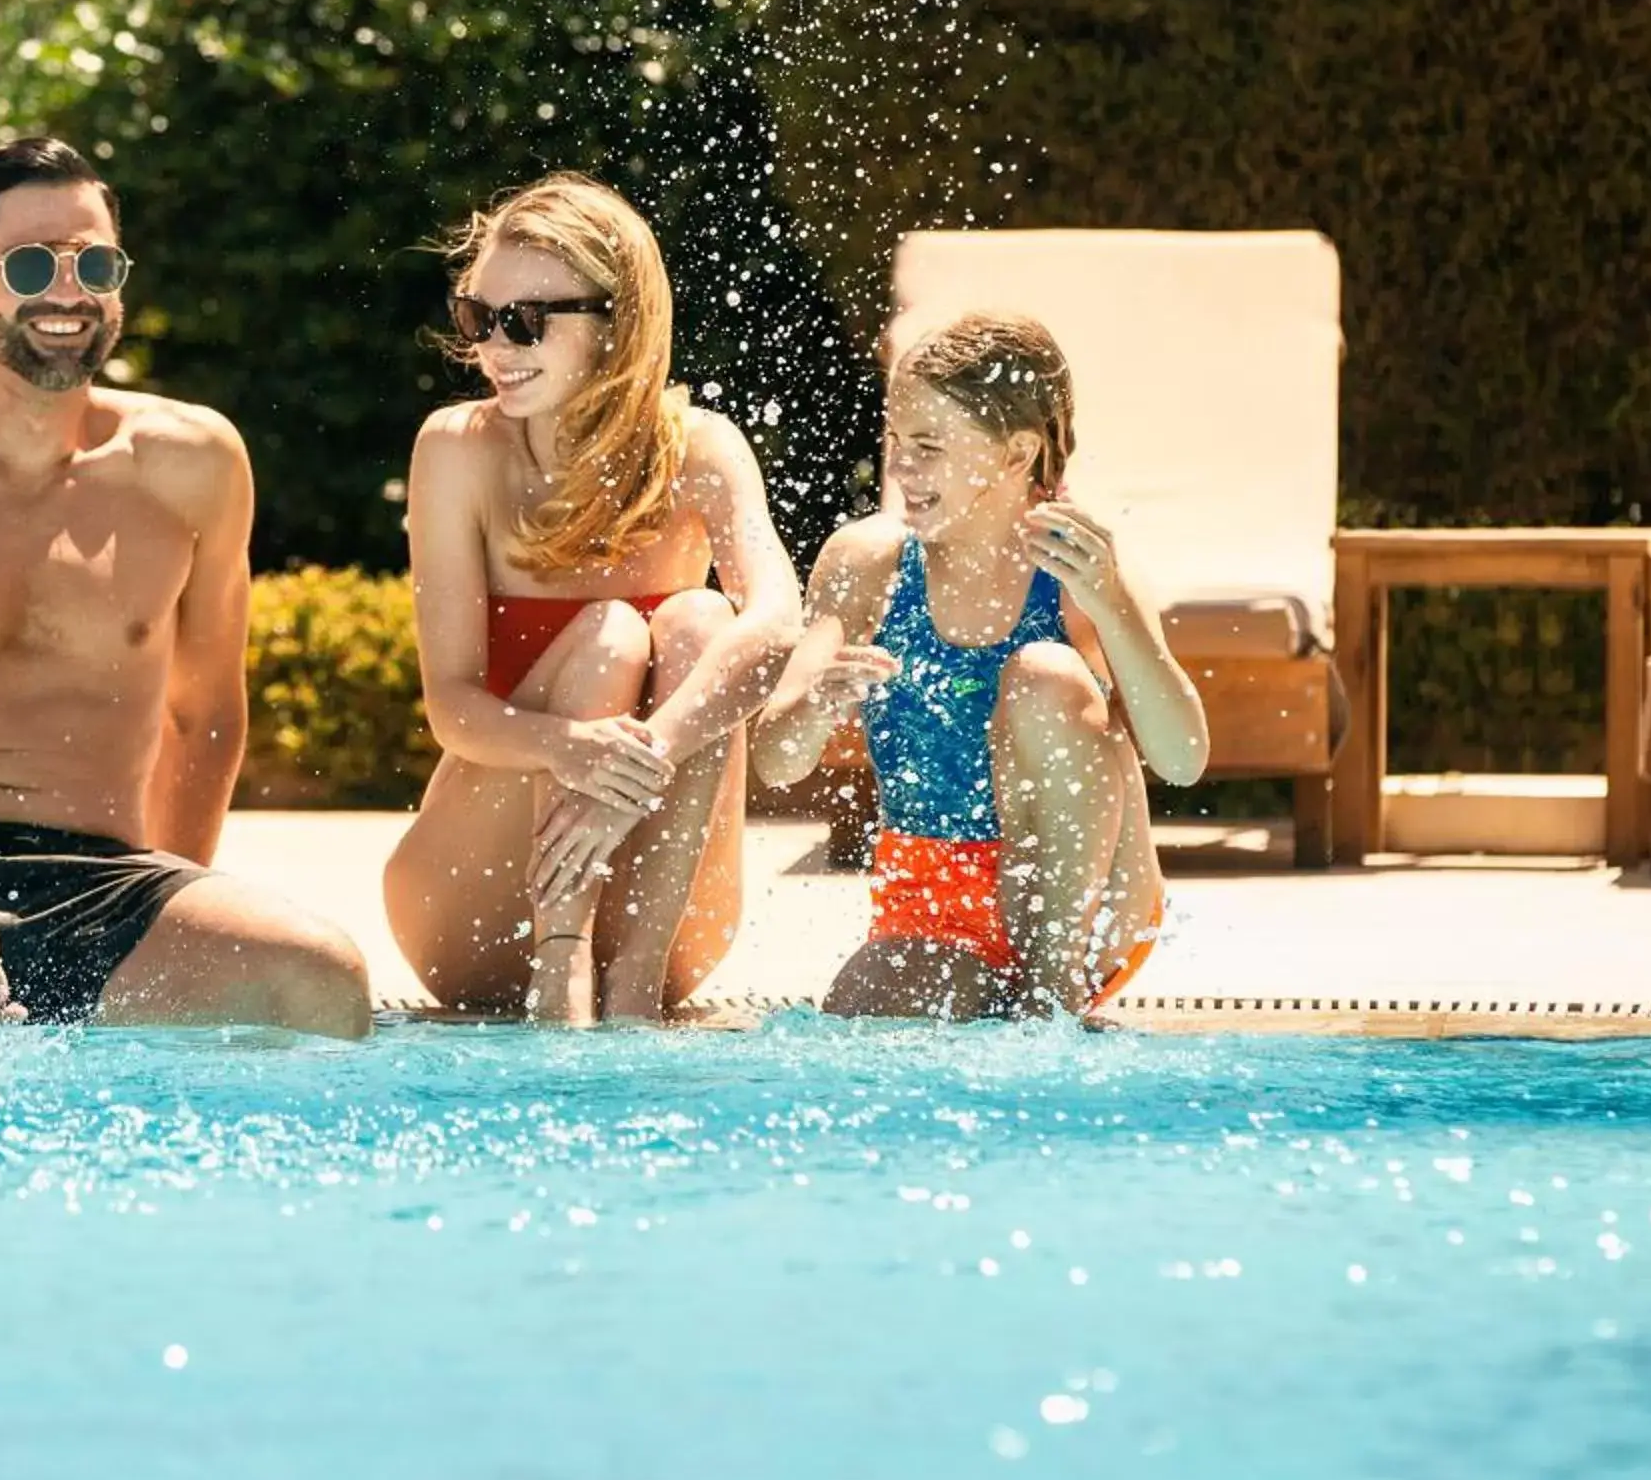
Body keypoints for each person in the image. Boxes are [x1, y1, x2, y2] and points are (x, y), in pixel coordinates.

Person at [0, 136, 371, 1038]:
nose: (68, 290)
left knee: (319, 983)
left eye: (95, 262)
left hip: (101, 877)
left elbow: (206, 717)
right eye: (32, 263)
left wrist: (171, 893)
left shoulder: (192, 464)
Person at [382, 174, 804, 1025]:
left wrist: (645, 750)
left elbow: (777, 622)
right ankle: (561, 951)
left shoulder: (701, 449)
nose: (496, 348)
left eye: (528, 321)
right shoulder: (459, 451)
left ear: (618, 324)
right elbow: (454, 709)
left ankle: (631, 978)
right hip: (476, 910)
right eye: (479, 318)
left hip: (669, 928)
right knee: (611, 634)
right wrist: (571, 747)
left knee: (701, 620)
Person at [753, 310, 1209, 1020]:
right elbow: (776, 759)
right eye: (896, 440)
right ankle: (1013, 1007)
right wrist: (817, 704)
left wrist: (1114, 606)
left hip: (1087, 905)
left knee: (1047, 674)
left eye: (929, 446)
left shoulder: (1077, 571)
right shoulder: (867, 564)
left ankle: (1051, 995)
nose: (900, 467)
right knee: (859, 1014)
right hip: (934, 900)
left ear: (1015, 454)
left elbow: (1181, 759)